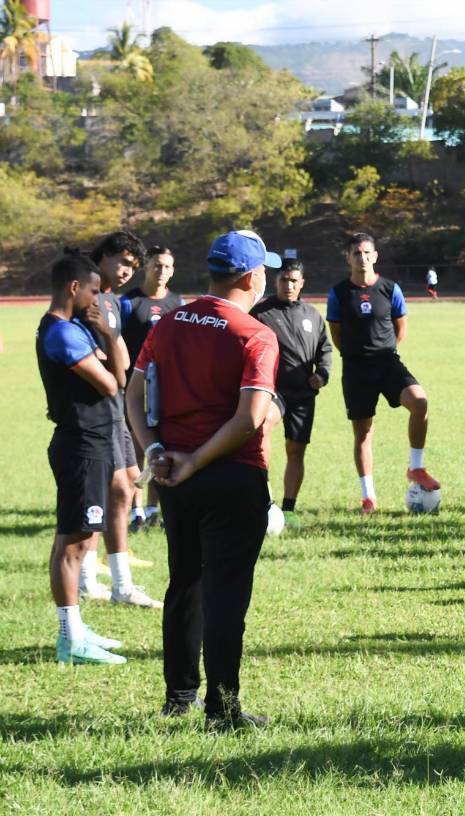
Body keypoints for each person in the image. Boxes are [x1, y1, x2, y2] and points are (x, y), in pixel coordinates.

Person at [127, 229, 284, 729]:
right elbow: (250, 418)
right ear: (250, 276)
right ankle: (222, 707)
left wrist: (154, 448)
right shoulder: (255, 334)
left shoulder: (170, 321)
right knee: (226, 592)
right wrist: (197, 458)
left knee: (185, 582)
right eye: (264, 272)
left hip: (174, 475)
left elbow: (133, 392)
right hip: (231, 475)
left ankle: (178, 696)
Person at [36, 252, 128, 665]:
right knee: (73, 544)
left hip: (92, 442)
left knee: (81, 537)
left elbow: (120, 375)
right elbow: (111, 384)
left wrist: (107, 335)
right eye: (92, 290)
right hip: (81, 445)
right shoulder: (62, 334)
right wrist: (104, 340)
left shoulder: (77, 329)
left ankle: (75, 630)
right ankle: (70, 639)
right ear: (74, 287)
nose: (96, 298)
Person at [326, 233, 439, 513]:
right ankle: (369, 497)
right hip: (356, 369)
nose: (361, 258)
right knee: (363, 434)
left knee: (420, 402)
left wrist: (382, 349)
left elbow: (401, 329)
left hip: (388, 363)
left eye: (366, 253)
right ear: (348, 258)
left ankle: (416, 467)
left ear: (375, 256)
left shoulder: (390, 289)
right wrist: (357, 354)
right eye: (356, 253)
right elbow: (336, 334)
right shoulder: (338, 293)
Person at [84, 230, 161, 608]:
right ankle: (97, 579)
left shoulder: (116, 302)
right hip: (93, 409)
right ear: (104, 257)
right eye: (124, 262)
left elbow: (124, 361)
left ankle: (117, 582)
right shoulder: (86, 298)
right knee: (104, 491)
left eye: (134, 265)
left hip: (116, 403)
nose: (129, 271)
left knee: (126, 484)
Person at [252, 260, 332, 528]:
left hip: (304, 394)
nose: (288, 285)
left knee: (296, 450)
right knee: (264, 423)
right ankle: (263, 497)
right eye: (284, 280)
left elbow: (325, 350)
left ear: (302, 283)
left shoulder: (312, 315)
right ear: (276, 282)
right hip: (273, 390)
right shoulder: (261, 313)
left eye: (294, 281)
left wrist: (322, 374)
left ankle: (288, 508)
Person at [121, 245, 186, 533]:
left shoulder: (177, 303)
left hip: (166, 388)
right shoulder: (130, 302)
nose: (162, 271)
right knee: (136, 447)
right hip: (135, 386)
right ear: (146, 266)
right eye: (157, 265)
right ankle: (135, 512)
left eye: (168, 266)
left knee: (161, 447)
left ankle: (152, 510)